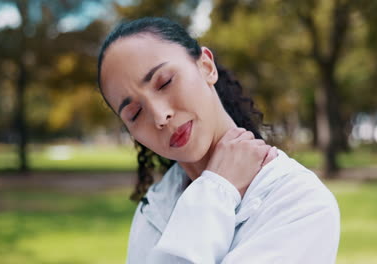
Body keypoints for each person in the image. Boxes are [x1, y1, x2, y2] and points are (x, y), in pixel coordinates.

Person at [97, 17, 340, 264]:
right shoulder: (153, 207)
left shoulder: (300, 203)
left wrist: (217, 191)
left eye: (165, 82)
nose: (160, 116)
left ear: (206, 67)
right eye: (135, 114)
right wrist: (217, 188)